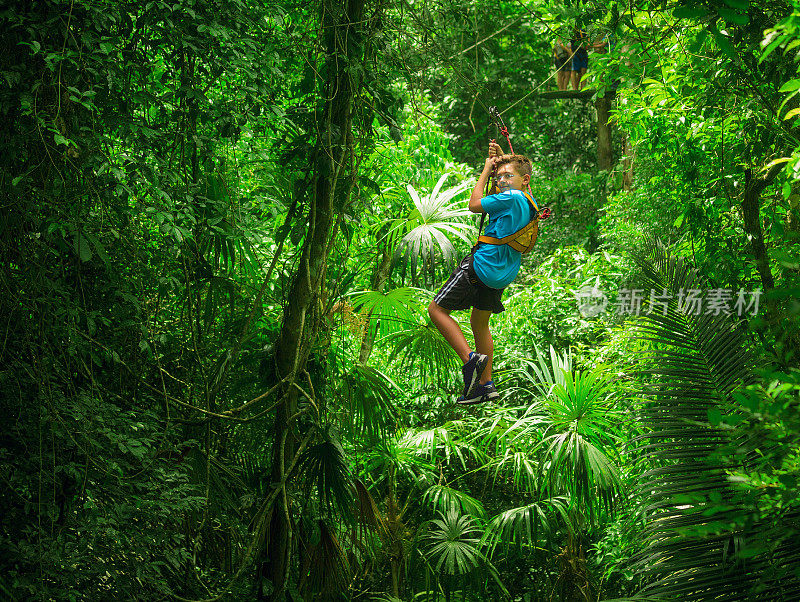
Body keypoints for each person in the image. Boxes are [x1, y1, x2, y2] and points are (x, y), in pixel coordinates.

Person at [428, 142, 535, 405]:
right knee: (479, 322)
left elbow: (474, 204)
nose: (501, 180)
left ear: (525, 180)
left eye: (508, 176)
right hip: (502, 275)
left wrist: (487, 169)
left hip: (481, 267)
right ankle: (485, 385)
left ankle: (470, 360)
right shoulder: (527, 200)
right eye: (500, 177)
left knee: (436, 310)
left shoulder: (510, 197)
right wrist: (501, 160)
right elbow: (497, 193)